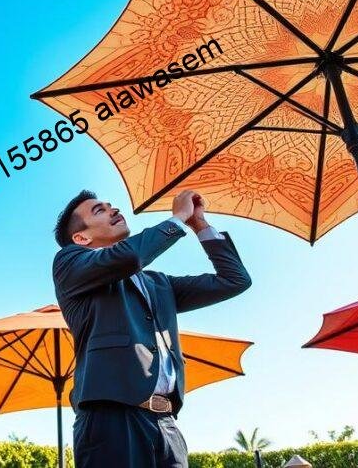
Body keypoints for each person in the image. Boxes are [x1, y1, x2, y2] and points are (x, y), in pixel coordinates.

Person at [52, 189, 251, 468]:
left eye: (110, 205)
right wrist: (178, 219)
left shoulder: (160, 283)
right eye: (99, 210)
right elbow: (130, 256)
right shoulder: (68, 264)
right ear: (81, 238)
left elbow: (235, 280)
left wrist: (199, 225)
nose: (113, 209)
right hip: (111, 420)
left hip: (167, 424)